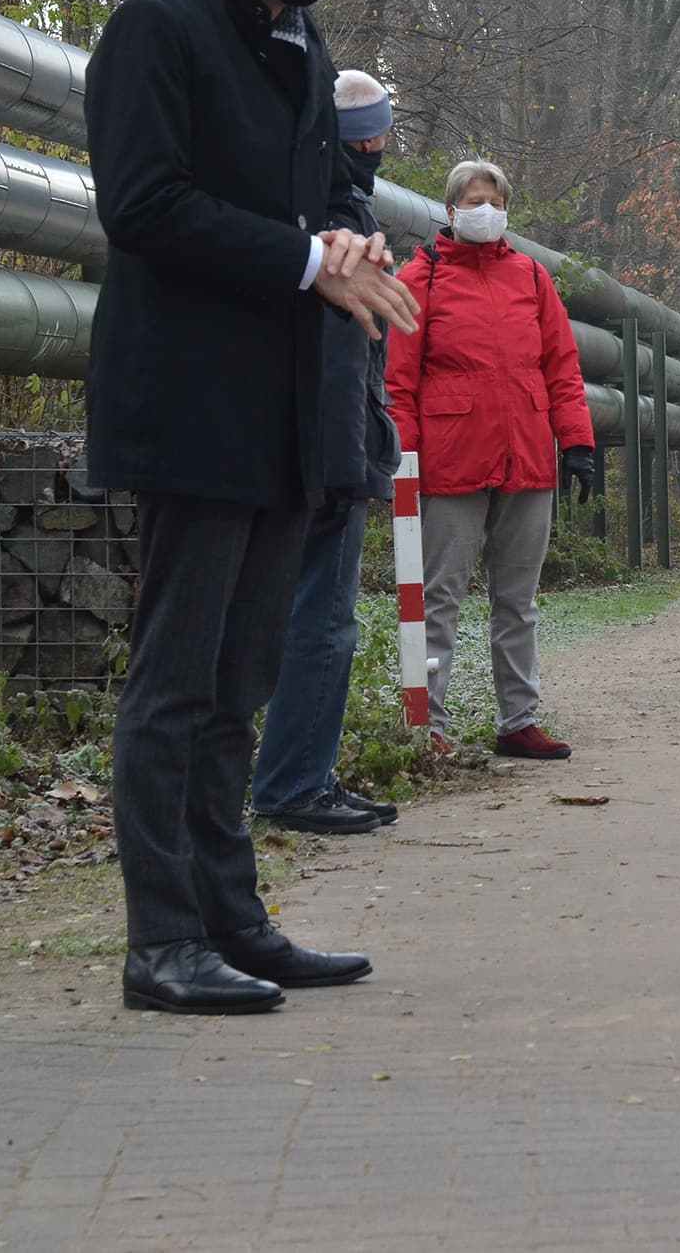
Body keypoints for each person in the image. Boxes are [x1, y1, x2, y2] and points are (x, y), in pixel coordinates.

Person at [87, 0, 420, 1015]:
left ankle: (234, 917)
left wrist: (352, 234)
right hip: (188, 407)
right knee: (173, 686)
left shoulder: (301, 39)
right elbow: (141, 202)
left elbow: (328, 187)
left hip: (286, 416)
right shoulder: (159, 30)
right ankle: (160, 939)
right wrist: (300, 258)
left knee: (239, 683)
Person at [386, 160, 597, 760]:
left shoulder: (531, 278)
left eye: (495, 202)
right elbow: (397, 382)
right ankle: (428, 724)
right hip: (451, 465)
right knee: (437, 598)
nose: (486, 211)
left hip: (527, 457)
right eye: (474, 201)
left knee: (518, 600)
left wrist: (577, 442)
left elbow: (561, 368)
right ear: (450, 211)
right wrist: (405, 461)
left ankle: (518, 720)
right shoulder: (418, 280)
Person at [249, 70, 404, 836]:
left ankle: (300, 772)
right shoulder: (343, 223)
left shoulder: (324, 203)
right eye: (369, 133)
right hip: (330, 450)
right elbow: (347, 360)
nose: (376, 143)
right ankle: (292, 782)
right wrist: (351, 463)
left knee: (311, 615)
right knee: (324, 619)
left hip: (320, 443)